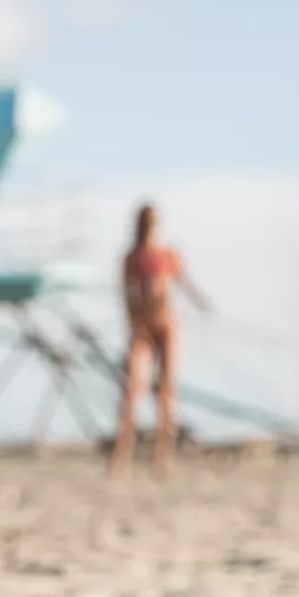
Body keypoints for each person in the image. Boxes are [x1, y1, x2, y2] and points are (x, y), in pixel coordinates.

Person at [109, 203, 211, 480]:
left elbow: (184, 283)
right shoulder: (133, 257)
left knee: (167, 392)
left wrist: (202, 302)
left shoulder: (168, 255)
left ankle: (162, 457)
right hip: (142, 326)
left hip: (167, 325)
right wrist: (132, 323)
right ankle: (122, 455)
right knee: (132, 390)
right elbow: (125, 293)